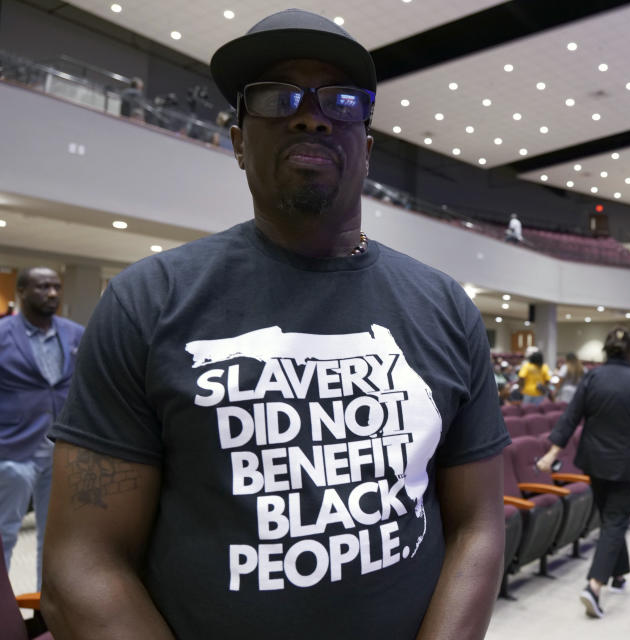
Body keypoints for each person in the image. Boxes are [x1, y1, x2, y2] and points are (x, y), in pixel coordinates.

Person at [41, 11, 510, 640]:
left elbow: (478, 525)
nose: (311, 115)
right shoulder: (147, 301)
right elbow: (84, 558)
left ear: (366, 151)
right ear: (237, 142)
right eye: (276, 96)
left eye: (342, 101)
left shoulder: (446, 308)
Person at [535, 327, 630, 620]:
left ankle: (619, 574)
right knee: (615, 521)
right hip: (627, 465)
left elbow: (570, 416)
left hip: (595, 463)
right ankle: (594, 585)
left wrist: (553, 452)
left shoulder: (593, 377)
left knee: (612, 519)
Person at [0, 267, 84, 590]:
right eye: (42, 287)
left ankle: (45, 612)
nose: (51, 293)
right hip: (12, 448)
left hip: (61, 450)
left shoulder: (75, 333)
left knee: (53, 538)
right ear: (21, 291)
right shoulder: (4, 334)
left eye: (56, 287)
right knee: (5, 533)